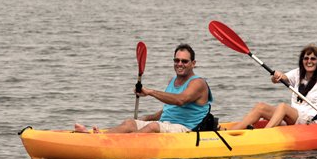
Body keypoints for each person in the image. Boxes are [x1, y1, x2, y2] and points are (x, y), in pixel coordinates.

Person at [74, 43, 213, 134]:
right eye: (176, 60)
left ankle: (113, 144)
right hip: (166, 124)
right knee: (130, 122)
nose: (179, 64)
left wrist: (150, 92)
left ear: (193, 63)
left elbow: (180, 101)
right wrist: (148, 117)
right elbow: (170, 109)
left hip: (186, 130)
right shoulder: (173, 81)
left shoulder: (198, 83)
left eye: (184, 61)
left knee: (152, 127)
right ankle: (97, 135)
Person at [230, 44, 317, 131]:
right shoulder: (297, 73)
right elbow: (278, 79)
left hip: (309, 123)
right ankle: (229, 132)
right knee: (260, 107)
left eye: (313, 59)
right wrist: (276, 77)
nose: (309, 61)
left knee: (283, 107)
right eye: (306, 58)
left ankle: (265, 133)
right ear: (302, 61)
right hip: (293, 119)